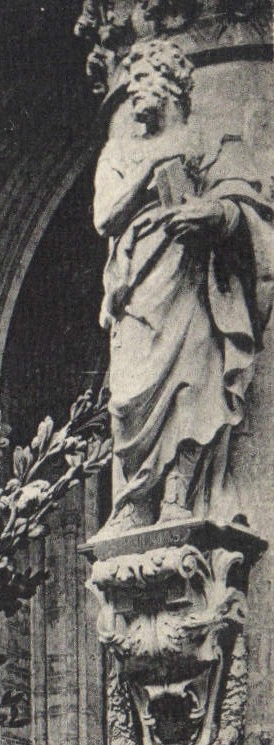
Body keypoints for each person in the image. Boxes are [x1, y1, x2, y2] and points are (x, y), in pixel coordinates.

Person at [94, 39, 274, 532]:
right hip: (137, 285)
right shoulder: (119, 150)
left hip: (193, 280)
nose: (134, 96)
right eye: (128, 87)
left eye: (143, 83)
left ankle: (178, 493)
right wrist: (150, 173)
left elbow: (248, 206)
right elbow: (105, 215)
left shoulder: (207, 140)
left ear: (172, 85)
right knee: (128, 396)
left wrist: (214, 214)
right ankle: (135, 499)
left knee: (194, 383)